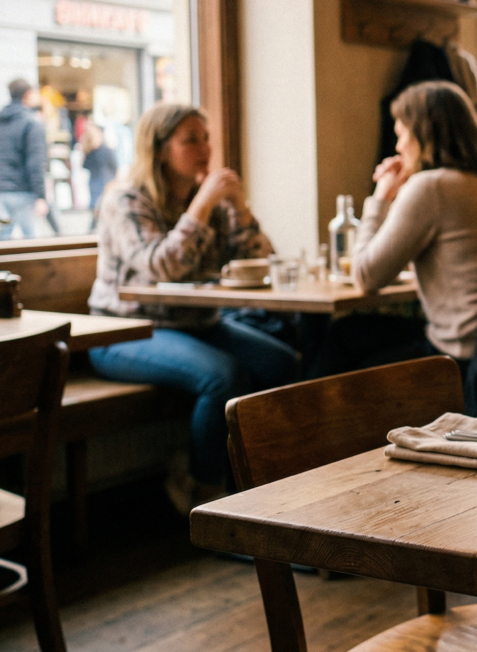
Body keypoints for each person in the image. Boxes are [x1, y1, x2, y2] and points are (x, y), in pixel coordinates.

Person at [86, 104, 298, 514]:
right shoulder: (125, 200)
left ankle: (261, 483)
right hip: (123, 331)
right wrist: (201, 205)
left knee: (282, 363)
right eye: (191, 140)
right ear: (160, 149)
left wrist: (240, 208)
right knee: (222, 377)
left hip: (196, 323)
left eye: (206, 138)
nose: (205, 149)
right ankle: (205, 494)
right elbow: (159, 265)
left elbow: (261, 260)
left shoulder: (212, 204)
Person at [309, 81, 477, 379]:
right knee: (354, 335)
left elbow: (366, 276)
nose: (398, 146)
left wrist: (381, 197)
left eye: (402, 134)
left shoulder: (430, 187)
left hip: (466, 359)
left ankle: (307, 424)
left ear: (422, 135)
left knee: (344, 335)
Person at [0, 79, 49, 239]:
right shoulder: (32, 123)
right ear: (27, 95)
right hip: (23, 192)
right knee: (31, 242)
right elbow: (35, 162)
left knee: (4, 242)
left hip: (2, 192)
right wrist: (41, 196)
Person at [82, 124, 117, 229]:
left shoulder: (107, 150)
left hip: (106, 182)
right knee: (96, 210)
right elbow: (85, 166)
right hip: (94, 183)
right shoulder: (90, 151)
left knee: (103, 211)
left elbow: (114, 167)